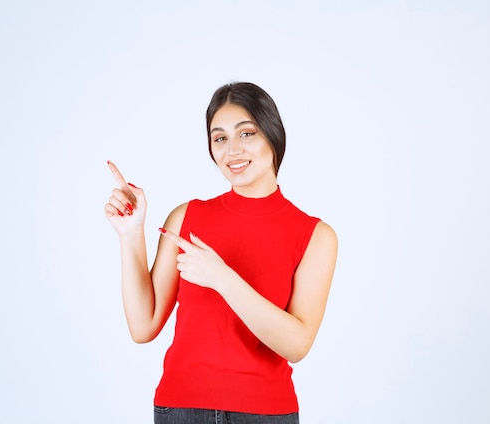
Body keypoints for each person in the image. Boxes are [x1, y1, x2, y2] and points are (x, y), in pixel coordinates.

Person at [104, 82, 338, 424]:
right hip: (179, 409)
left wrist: (223, 278)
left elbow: (297, 344)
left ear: (273, 135)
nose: (232, 151)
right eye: (220, 138)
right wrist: (130, 234)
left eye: (247, 133)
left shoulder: (315, 235)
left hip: (264, 414)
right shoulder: (187, 217)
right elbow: (143, 326)